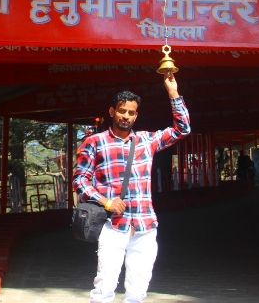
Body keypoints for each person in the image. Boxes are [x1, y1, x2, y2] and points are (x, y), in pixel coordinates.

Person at [73, 73, 190, 303]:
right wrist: (105, 201)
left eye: (131, 112)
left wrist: (173, 92)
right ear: (112, 112)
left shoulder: (146, 141)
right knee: (105, 286)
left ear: (136, 115)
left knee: (138, 291)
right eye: (122, 110)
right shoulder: (95, 143)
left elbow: (182, 129)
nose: (126, 116)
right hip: (112, 225)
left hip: (145, 225)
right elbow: (80, 180)